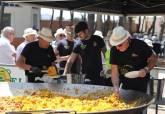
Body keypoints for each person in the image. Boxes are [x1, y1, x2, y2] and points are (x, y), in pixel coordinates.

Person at [109, 26, 157, 94]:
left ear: (127, 39)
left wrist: (146, 69)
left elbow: (153, 59)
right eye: (115, 45)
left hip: (142, 83)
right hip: (124, 84)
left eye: (119, 45)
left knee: (141, 102)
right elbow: (114, 72)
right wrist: (116, 87)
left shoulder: (140, 45)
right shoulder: (114, 50)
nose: (117, 48)